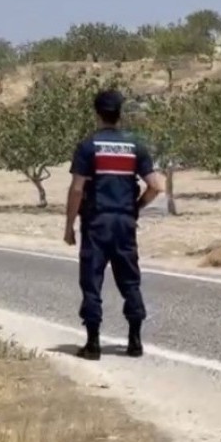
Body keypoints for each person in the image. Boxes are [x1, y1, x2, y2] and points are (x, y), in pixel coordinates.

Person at [64, 89, 166, 361]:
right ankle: (135, 342)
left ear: (97, 113)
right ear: (120, 113)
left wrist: (69, 225)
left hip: (96, 222)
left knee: (92, 281)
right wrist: (137, 206)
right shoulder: (136, 146)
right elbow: (156, 186)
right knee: (130, 280)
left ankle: (93, 344)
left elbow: (76, 190)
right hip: (124, 222)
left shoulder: (88, 146)